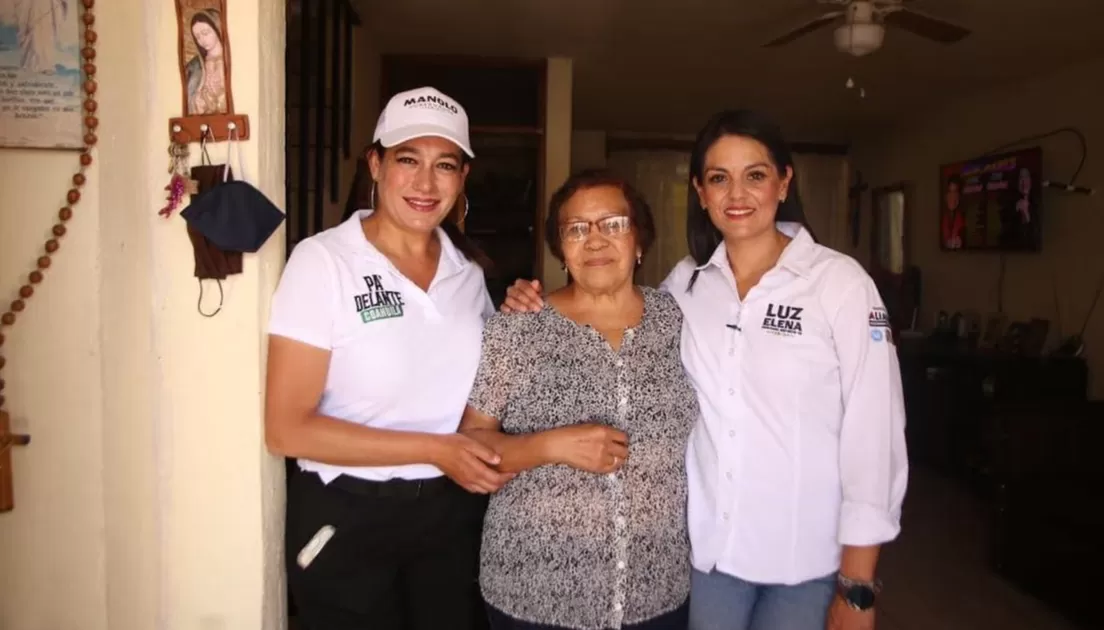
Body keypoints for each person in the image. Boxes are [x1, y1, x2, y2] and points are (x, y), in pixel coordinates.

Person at [502, 110, 908, 630]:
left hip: (805, 561)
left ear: (784, 182)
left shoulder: (838, 284)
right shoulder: (685, 287)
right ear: (700, 191)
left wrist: (857, 587)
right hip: (709, 559)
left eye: (755, 175)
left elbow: (874, 435)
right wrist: (532, 301)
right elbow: (609, 305)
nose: (737, 194)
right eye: (719, 178)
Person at [265, 86, 504, 630]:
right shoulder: (323, 261)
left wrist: (524, 316)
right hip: (348, 515)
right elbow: (286, 429)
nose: (425, 183)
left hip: (448, 516)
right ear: (375, 164)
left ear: (463, 177)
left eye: (445, 164)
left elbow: (490, 387)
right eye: (407, 160)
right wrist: (435, 449)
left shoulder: (467, 274)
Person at [459, 169, 696, 630]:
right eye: (577, 228)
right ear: (561, 250)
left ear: (639, 240)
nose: (595, 240)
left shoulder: (678, 318)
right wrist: (552, 445)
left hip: (658, 588)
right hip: (535, 593)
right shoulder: (518, 328)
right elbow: (470, 442)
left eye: (613, 224)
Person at [185, 9, 228, 115]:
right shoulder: (195, 65)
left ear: (217, 28)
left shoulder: (234, 58)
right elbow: (190, 96)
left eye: (205, 33)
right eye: (198, 37)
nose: (202, 40)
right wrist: (197, 100)